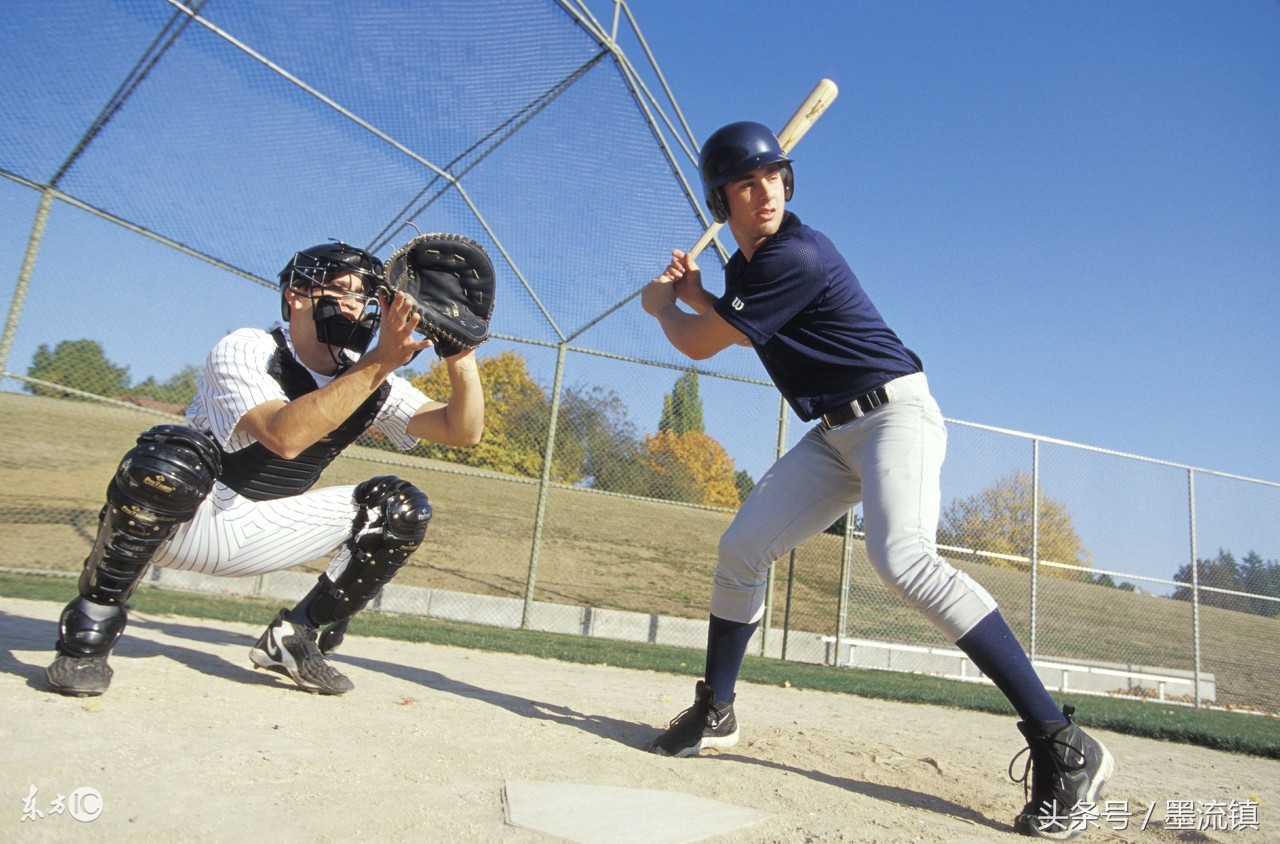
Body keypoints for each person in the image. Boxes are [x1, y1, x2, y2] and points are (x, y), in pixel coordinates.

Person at [640, 121, 1114, 839]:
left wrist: (664, 309)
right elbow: (735, 312)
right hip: (835, 435)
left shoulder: (796, 252)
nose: (765, 190)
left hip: (896, 419)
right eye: (746, 182)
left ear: (786, 183)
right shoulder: (754, 269)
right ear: (723, 201)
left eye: (773, 176)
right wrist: (703, 292)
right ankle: (718, 707)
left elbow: (703, 344)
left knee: (903, 558)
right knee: (741, 549)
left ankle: (1063, 743)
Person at [45, 240, 484, 697]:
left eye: (366, 297)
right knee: (169, 454)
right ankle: (88, 632)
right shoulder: (247, 347)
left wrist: (461, 357)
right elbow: (284, 436)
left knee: (399, 507)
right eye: (341, 290)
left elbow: (462, 430)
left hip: (267, 529)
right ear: (295, 294)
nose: (355, 307)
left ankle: (296, 636)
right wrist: (380, 361)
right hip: (186, 522)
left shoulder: (374, 378)